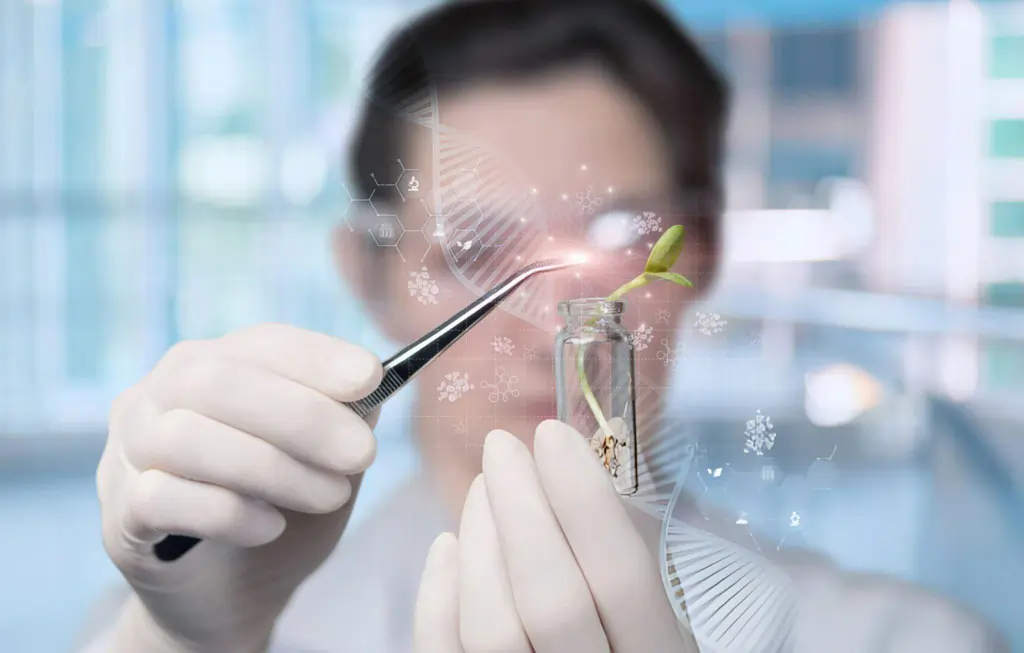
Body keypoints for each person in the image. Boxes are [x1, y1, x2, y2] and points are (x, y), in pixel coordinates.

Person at [79, 1, 1008, 651]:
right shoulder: (237, 620)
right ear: (366, 272)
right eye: (472, 249)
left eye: (615, 238)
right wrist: (174, 642)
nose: (546, 326)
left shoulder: (907, 640)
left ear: (702, 254)